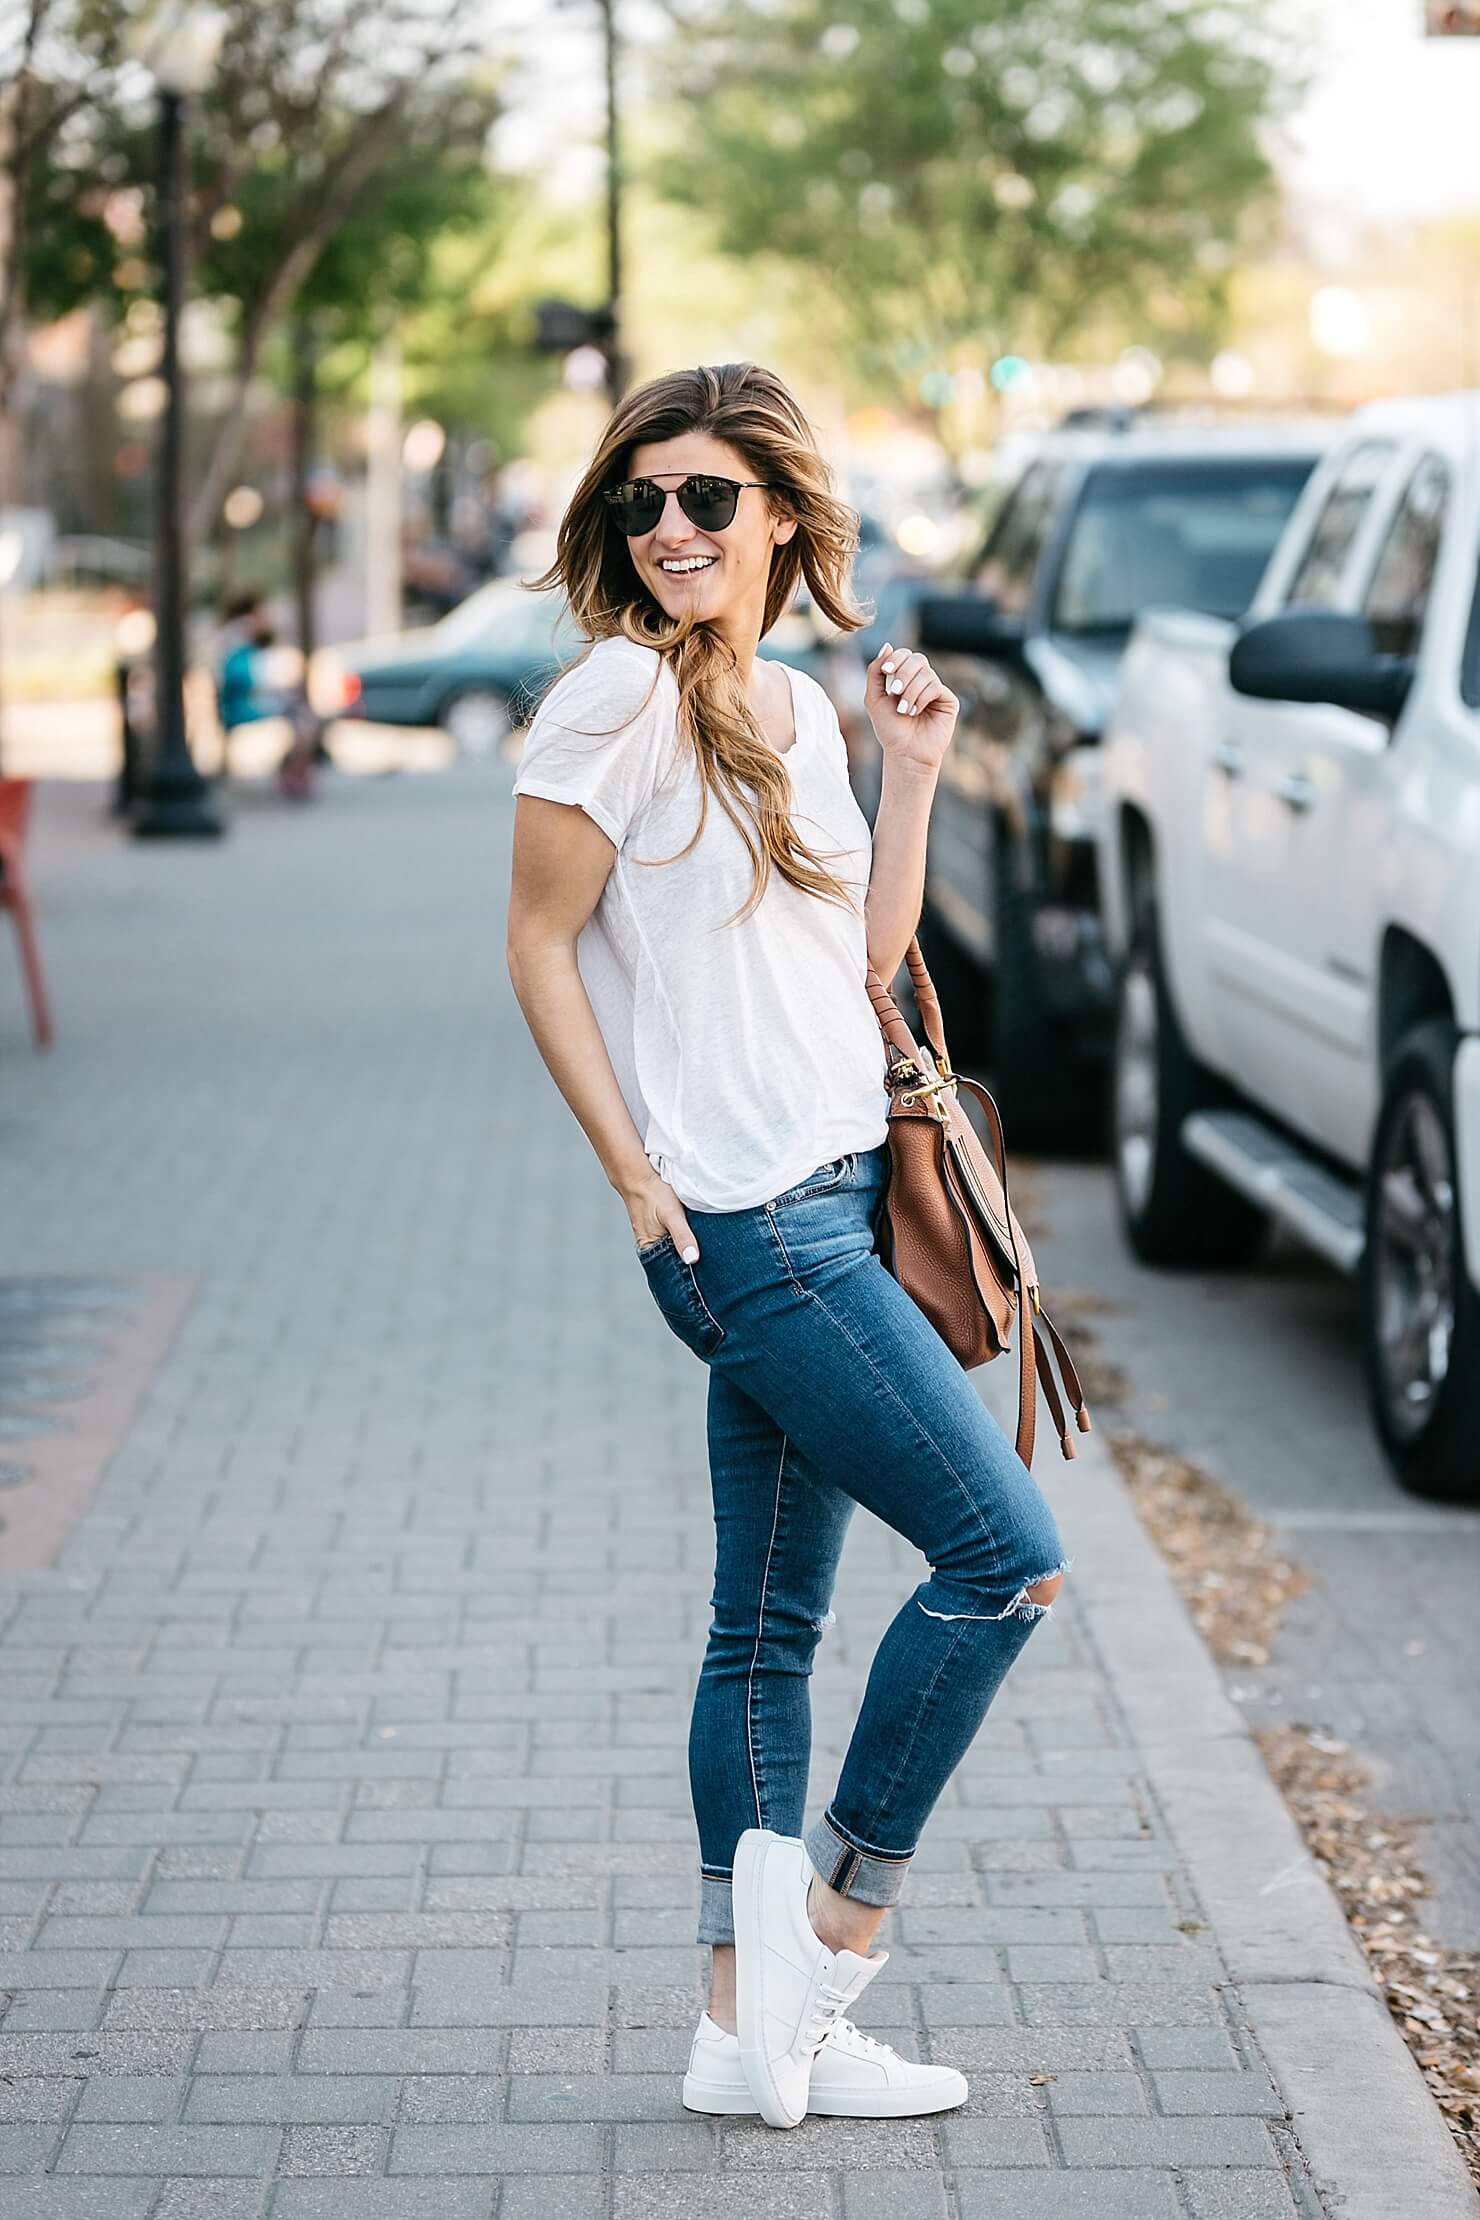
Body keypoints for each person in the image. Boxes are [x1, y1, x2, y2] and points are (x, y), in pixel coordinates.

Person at [504, 363, 1068, 2132]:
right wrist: (634, 1183)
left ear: (781, 523)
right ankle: (832, 1946)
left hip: (833, 1193)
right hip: (750, 1228)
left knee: (765, 1627)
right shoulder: (611, 699)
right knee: (1007, 1562)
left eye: (706, 500)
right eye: (642, 502)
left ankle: (739, 2026)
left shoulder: (802, 706)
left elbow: (866, 954)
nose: (669, 529)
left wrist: (911, 773)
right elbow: (534, 947)